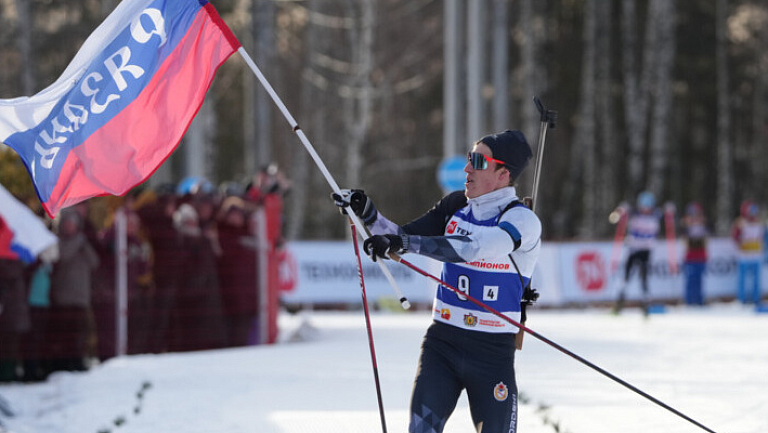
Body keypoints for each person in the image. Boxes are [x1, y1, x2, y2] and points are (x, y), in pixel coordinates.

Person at [333, 130, 540, 433]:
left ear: (503, 173)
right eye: (469, 158)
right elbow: (401, 237)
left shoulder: (521, 220)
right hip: (442, 344)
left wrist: (404, 243)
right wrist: (367, 213)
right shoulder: (456, 205)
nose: (467, 167)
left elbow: (472, 249)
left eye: (478, 161)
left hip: (492, 353)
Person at [613, 191, 661, 315]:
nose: (646, 210)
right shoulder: (634, 214)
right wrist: (620, 210)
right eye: (643, 207)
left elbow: (669, 216)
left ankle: (645, 304)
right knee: (626, 276)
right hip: (633, 250)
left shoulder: (655, 215)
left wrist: (670, 211)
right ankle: (619, 302)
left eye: (648, 207)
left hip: (646, 251)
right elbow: (616, 216)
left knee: (644, 277)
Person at [731, 200, 765, 304]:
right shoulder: (740, 224)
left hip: (756, 255)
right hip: (744, 256)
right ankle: (742, 299)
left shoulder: (759, 223)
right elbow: (735, 237)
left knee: (756, 280)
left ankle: (756, 298)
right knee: (742, 279)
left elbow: (763, 237)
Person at [681, 202, 708, 306]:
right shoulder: (686, 227)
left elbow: (706, 241)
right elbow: (684, 240)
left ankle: (699, 300)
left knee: (699, 280)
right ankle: (689, 300)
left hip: (701, 256)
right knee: (690, 280)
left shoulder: (704, 226)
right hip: (690, 257)